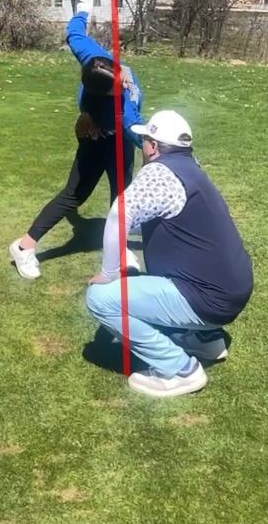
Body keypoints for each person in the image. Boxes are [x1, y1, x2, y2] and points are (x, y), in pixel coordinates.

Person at [86, 109, 253, 397]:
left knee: (99, 299)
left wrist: (109, 272)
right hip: (231, 290)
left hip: (208, 299)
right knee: (137, 269)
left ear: (153, 147)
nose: (142, 147)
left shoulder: (159, 172)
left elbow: (118, 216)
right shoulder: (191, 167)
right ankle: (204, 339)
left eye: (144, 142)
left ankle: (180, 369)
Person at [10, 10, 144, 280]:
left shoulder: (95, 59)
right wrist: (173, 151)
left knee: (122, 196)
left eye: (120, 77)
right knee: (74, 195)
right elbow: (139, 132)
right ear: (104, 94)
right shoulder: (120, 112)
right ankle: (23, 247)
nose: (124, 83)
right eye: (117, 88)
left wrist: (82, 9)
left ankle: (120, 250)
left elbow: (74, 33)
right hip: (99, 143)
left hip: (119, 143)